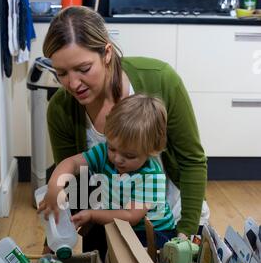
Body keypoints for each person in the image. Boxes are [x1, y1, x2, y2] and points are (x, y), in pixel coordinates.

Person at [42, 6, 208, 252]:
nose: (73, 84)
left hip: (170, 223)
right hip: (106, 219)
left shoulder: (160, 79)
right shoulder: (61, 109)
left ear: (107, 53)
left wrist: (185, 235)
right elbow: (75, 180)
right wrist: (69, 223)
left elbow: (192, 162)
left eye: (84, 69)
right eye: (61, 73)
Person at [39, 94, 177, 254]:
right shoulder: (105, 152)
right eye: (112, 148)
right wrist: (55, 186)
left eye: (129, 156)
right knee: (97, 249)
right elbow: (73, 163)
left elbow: (131, 216)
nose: (117, 159)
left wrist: (92, 215)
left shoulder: (151, 176)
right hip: (117, 220)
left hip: (152, 232)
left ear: (151, 150)